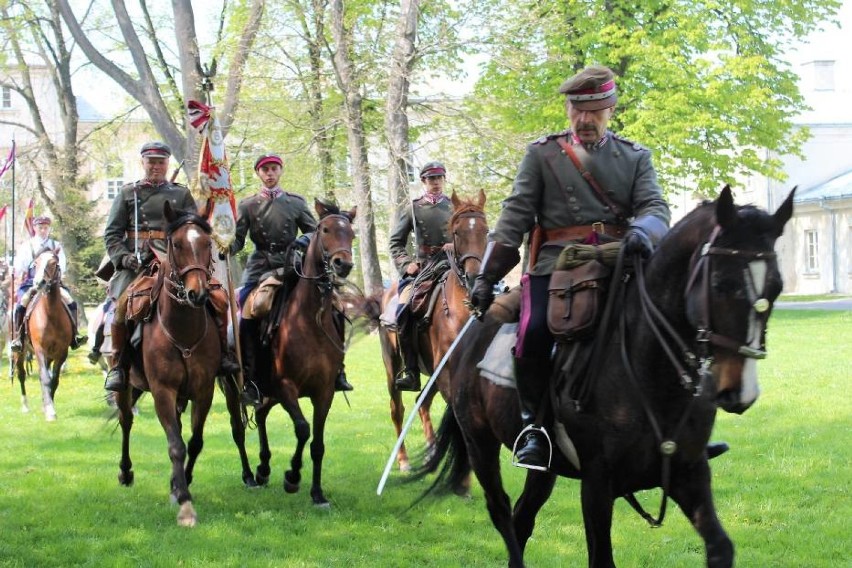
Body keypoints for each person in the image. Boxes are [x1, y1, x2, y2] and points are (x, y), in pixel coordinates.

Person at [102, 141, 239, 392]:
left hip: (176, 259)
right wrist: (122, 257)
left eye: (160, 162)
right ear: (142, 162)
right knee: (121, 306)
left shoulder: (180, 194)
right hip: (137, 262)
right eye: (151, 161)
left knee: (217, 297)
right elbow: (111, 234)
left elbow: (193, 228)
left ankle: (222, 356)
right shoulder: (127, 193)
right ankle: (119, 366)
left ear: (167, 164)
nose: (156, 166)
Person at [229, 153, 352, 404]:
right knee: (248, 312)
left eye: (274, 169)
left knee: (337, 306)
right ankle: (250, 379)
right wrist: (225, 244)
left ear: (280, 171)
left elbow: (313, 232)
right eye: (265, 170)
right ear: (259, 174)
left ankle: (338, 370)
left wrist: (301, 243)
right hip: (260, 267)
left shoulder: (296, 203)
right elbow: (239, 239)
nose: (270, 173)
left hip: (294, 267)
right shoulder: (248, 205)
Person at [388, 161, 454, 391]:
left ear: (444, 180)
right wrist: (406, 265)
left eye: (439, 178)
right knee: (403, 310)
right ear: (423, 181)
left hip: (453, 266)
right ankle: (411, 371)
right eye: (431, 179)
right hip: (423, 269)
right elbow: (395, 242)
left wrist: (455, 246)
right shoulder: (413, 209)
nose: (436, 183)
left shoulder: (455, 206)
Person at [9, 216, 88, 352]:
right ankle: (18, 338)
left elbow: (62, 265)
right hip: (32, 282)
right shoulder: (27, 246)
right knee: (22, 303)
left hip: (52, 283)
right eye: (40, 227)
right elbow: (20, 266)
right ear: (35, 228)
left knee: (70, 300)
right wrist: (15, 270)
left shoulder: (56, 245)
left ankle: (75, 335)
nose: (43, 230)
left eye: (46, 227)